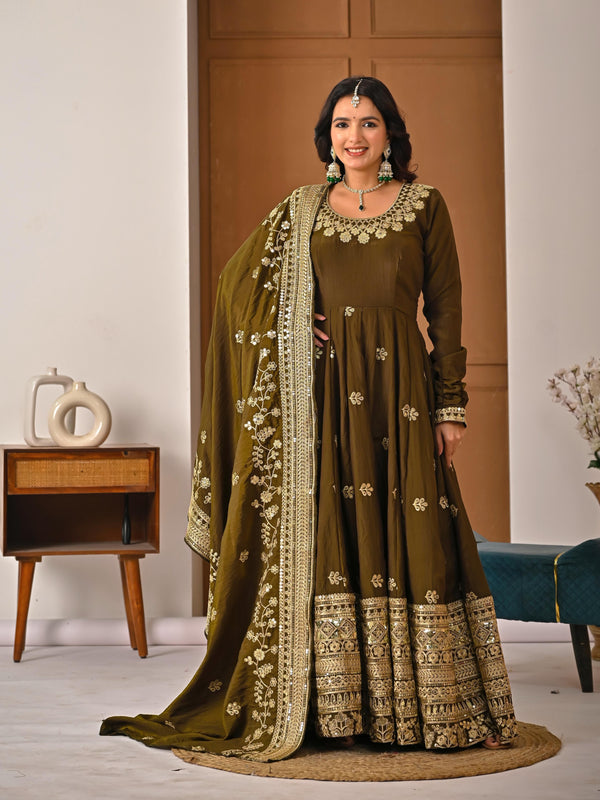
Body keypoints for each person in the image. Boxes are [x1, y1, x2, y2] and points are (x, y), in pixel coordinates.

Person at [100, 76, 517, 761]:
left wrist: (451, 406)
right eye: (342, 125)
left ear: (391, 134)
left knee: (414, 534)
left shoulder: (423, 205)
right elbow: (238, 291)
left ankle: (431, 709)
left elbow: (444, 309)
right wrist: (291, 321)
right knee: (331, 536)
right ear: (328, 137)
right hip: (319, 402)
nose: (355, 136)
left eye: (369, 123)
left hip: (401, 394)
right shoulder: (301, 209)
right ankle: (337, 711)